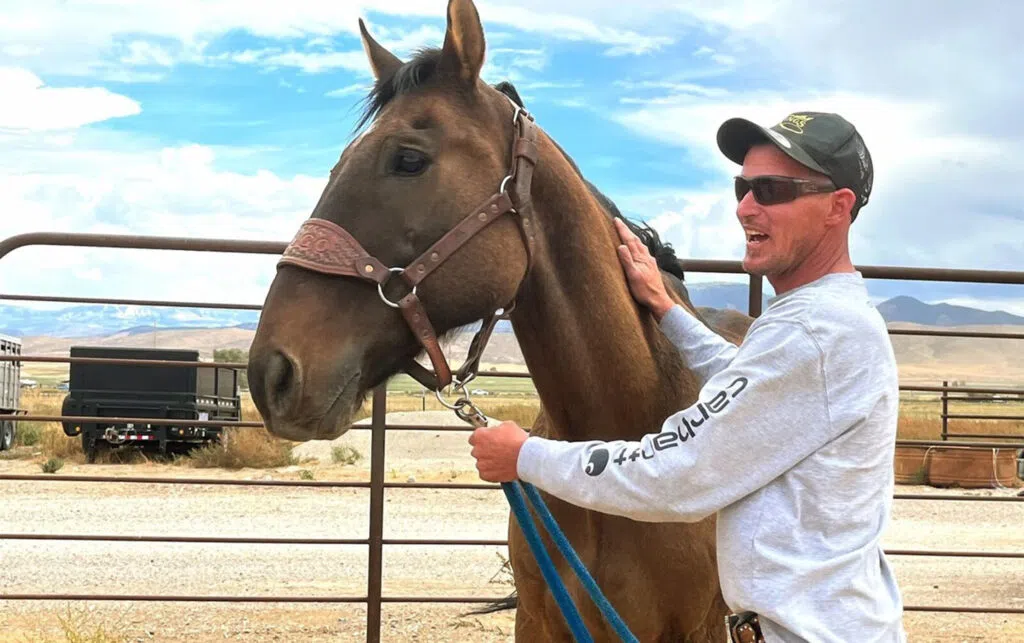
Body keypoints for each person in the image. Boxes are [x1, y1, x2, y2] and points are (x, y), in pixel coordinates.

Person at [468, 111, 907, 642]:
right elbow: (749, 388)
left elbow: (681, 473)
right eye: (742, 187)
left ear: (838, 207)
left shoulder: (816, 332)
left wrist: (526, 457)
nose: (746, 206)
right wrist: (666, 309)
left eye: (772, 189)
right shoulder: (814, 322)